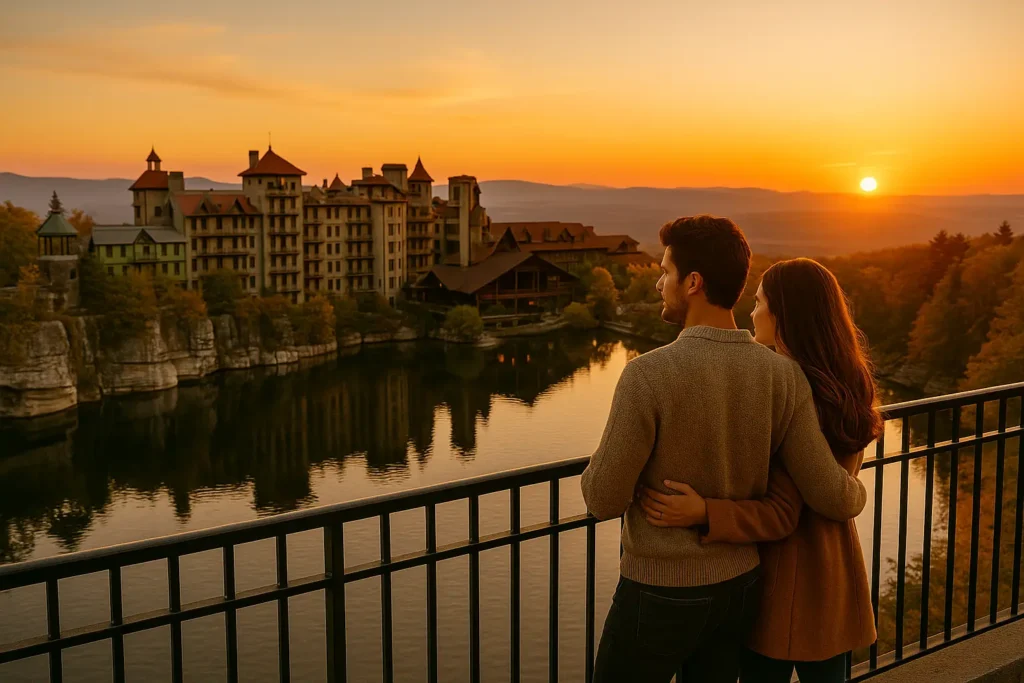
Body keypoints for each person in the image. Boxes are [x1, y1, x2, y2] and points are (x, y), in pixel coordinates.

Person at [581, 216, 867, 683]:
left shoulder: (648, 375)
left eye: (665, 271)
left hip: (660, 590)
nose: (658, 282)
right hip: (741, 588)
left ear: (693, 282)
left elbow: (602, 498)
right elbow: (827, 488)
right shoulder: (782, 376)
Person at [637, 257, 882, 683]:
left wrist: (704, 513)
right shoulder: (845, 384)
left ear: (783, 314)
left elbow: (786, 511)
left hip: (784, 583)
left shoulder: (790, 388)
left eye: (759, 302)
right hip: (834, 579)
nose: (751, 314)